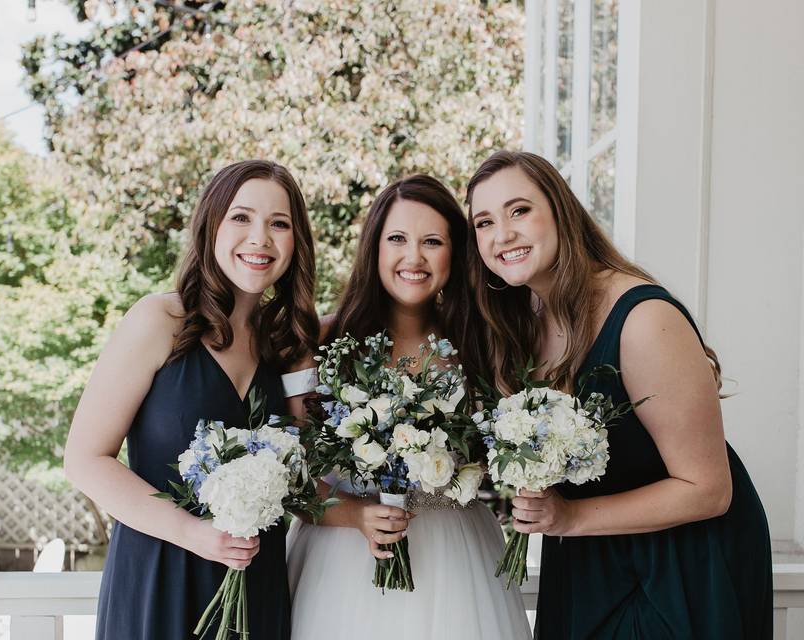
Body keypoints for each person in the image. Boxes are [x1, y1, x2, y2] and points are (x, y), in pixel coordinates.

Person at [465, 150, 772, 639]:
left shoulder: (643, 320)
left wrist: (567, 516)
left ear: (560, 211)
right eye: (484, 222)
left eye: (519, 210)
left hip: (677, 566)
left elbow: (708, 490)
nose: (501, 234)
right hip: (588, 556)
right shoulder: (521, 326)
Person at [64, 160, 319, 640]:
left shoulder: (286, 345)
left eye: (279, 224)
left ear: (295, 242)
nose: (260, 238)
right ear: (211, 226)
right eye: (241, 218)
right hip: (161, 576)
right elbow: (84, 459)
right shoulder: (159, 320)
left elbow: (306, 475)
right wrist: (192, 533)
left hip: (254, 583)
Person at [285, 175, 532, 640]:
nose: (413, 257)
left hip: (456, 554)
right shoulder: (322, 342)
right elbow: (292, 475)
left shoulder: (481, 344)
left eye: (432, 242)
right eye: (397, 238)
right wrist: (355, 514)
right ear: (374, 247)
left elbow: (505, 448)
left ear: (454, 255)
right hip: (342, 556)